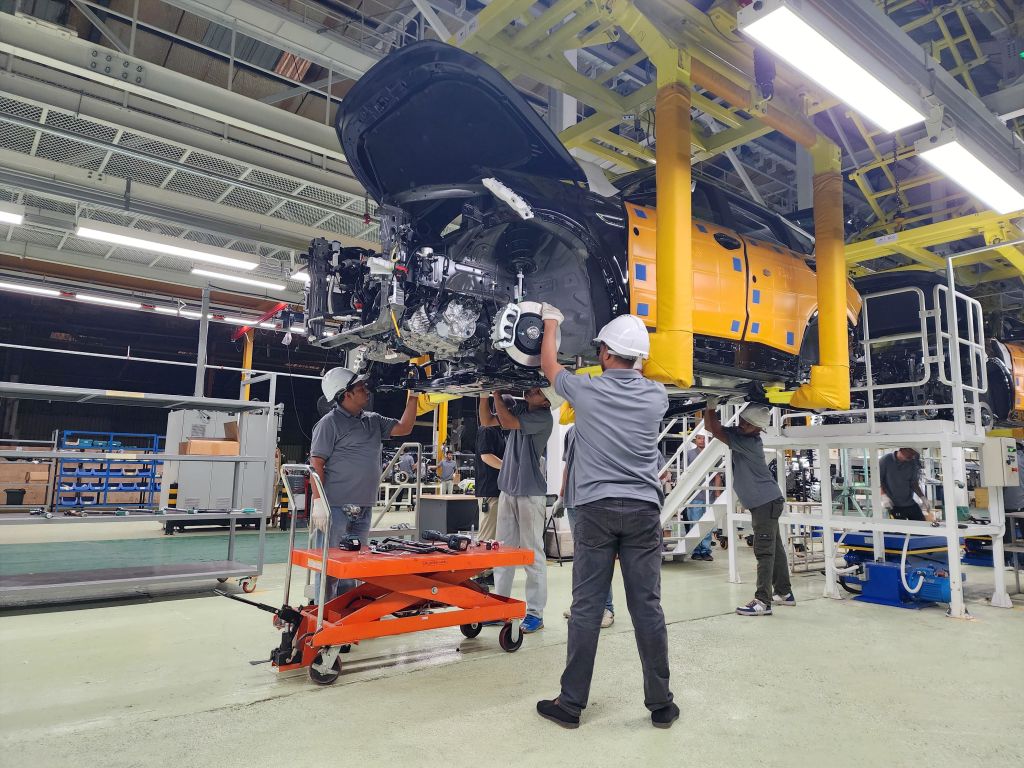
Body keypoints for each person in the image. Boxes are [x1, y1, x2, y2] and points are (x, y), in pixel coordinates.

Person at [536, 307, 678, 731]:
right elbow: (649, 374)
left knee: (587, 607)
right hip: (643, 510)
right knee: (647, 607)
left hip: (595, 510)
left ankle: (570, 704)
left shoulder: (586, 390)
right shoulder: (657, 397)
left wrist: (550, 321)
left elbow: (548, 365)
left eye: (601, 348)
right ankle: (661, 704)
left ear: (608, 353)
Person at [309, 367, 418, 601]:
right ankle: (324, 612)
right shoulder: (329, 424)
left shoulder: (373, 420)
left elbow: (405, 427)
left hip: (364, 506)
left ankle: (347, 609)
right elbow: (316, 463)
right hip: (335, 508)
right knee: (330, 566)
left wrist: (414, 395)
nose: (366, 390)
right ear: (345, 394)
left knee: (355, 564)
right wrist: (319, 503)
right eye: (360, 387)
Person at [479, 386, 561, 634]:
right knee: (503, 552)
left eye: (538, 391)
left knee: (532, 553)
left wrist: (496, 393)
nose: (531, 391)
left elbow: (506, 421)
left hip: (530, 493)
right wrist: (483, 394)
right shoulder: (522, 408)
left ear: (546, 402)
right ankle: (500, 607)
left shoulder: (543, 418)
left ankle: (535, 613)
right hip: (508, 489)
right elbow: (487, 421)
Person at [704, 400, 794, 616]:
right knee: (776, 549)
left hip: (765, 503)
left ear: (758, 429)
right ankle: (784, 593)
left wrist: (711, 404)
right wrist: (710, 407)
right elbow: (711, 427)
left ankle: (763, 601)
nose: (742, 425)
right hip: (767, 502)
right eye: (742, 420)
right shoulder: (743, 435)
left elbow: (713, 429)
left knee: (764, 552)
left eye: (748, 424)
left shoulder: (748, 442)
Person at [560, 425, 615, 629]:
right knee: (581, 558)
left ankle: (606, 607)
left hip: (593, 501)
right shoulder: (571, 432)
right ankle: (582, 605)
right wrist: (562, 494)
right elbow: (568, 465)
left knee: (598, 557)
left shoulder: (601, 427)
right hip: (573, 501)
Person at [474, 407, 507, 544]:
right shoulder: (487, 429)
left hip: (497, 490)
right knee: (487, 538)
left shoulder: (499, 431)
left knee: (494, 537)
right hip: (489, 490)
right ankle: (482, 559)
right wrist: (509, 468)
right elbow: (486, 456)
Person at [879, 447, 934, 522]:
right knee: (900, 528)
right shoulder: (886, 460)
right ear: (902, 449)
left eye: (914, 454)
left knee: (921, 524)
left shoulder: (912, 462)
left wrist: (923, 498)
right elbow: (877, 480)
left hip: (909, 502)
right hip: (893, 505)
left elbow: (913, 483)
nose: (912, 456)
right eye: (911, 452)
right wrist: (883, 495)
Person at [686, 432, 715, 561]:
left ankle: (706, 550)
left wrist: (717, 492)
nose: (702, 441)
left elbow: (717, 474)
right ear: (695, 440)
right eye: (699, 438)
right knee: (695, 524)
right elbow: (685, 474)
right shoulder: (689, 454)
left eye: (704, 438)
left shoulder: (712, 452)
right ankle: (696, 550)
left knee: (707, 525)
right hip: (695, 494)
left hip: (709, 494)